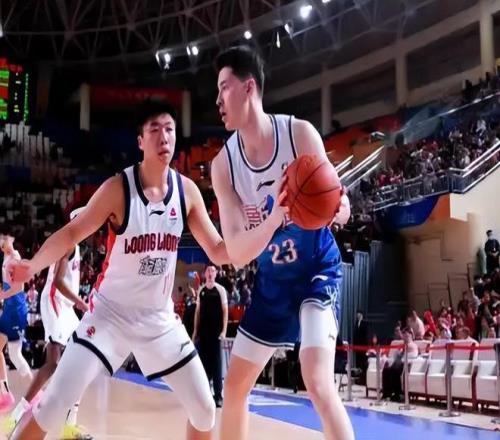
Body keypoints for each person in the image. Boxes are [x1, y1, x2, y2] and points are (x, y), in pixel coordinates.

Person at [7, 101, 228, 440]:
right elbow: (72, 232)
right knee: (53, 405)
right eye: (154, 130)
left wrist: (270, 225)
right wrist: (33, 264)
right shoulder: (118, 189)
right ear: (140, 141)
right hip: (109, 315)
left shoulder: (187, 192)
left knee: (204, 410)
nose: (164, 136)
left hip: (158, 320)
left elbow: (219, 250)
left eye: (169, 129)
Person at [211, 46, 354, 440]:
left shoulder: (299, 134)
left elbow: (340, 205)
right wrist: (277, 215)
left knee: (317, 380)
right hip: (272, 281)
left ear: (248, 88)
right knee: (234, 387)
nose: (218, 99)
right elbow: (237, 253)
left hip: (315, 270)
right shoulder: (224, 166)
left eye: (224, 87)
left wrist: (338, 208)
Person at [2, 208, 90, 439]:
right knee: (52, 363)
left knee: (82, 359)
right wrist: (81, 302)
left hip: (65, 306)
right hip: (55, 302)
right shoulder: (70, 243)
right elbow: (59, 282)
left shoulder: (75, 244)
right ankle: (17, 416)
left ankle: (70, 425)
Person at [0, 232, 33, 411]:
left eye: (3, 239)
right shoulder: (6, 257)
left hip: (16, 310)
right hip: (9, 309)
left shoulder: (15, 258)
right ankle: (5, 394)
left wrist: (2, 295)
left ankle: (35, 394)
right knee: (8, 352)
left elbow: (19, 287)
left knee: (15, 355)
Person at [192, 263, 228, 408]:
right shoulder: (201, 290)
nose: (210, 273)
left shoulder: (220, 290)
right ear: (205, 273)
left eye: (213, 270)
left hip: (216, 334)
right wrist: (195, 331)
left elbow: (225, 311)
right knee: (203, 366)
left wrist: (224, 331)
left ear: (216, 274)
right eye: (208, 270)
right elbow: (197, 312)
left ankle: (218, 396)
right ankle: (206, 395)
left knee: (217, 365)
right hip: (203, 333)